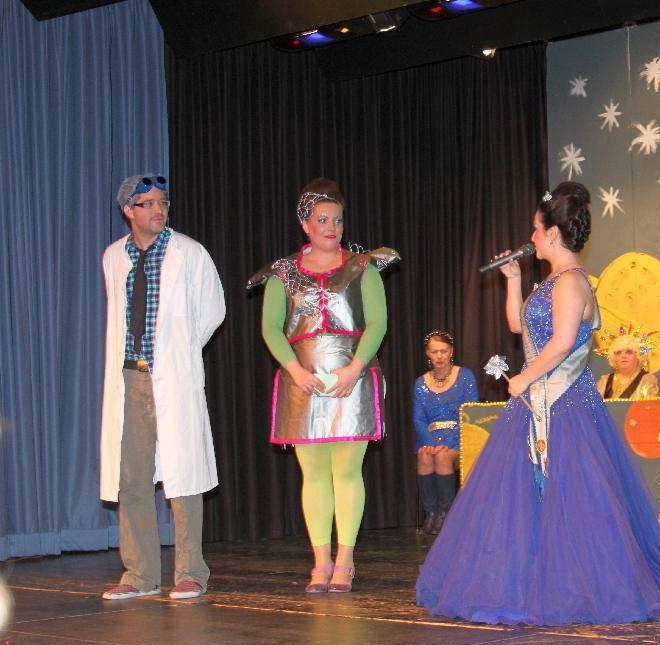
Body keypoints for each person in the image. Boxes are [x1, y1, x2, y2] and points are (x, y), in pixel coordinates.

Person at [416, 182, 660, 625]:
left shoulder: (571, 282)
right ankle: (536, 582)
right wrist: (513, 282)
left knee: (572, 496)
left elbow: (564, 342)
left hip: (564, 402)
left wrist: (524, 378)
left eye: (536, 229)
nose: (531, 236)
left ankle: (581, 586)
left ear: (553, 233)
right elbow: (520, 327)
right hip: (538, 401)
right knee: (532, 496)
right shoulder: (550, 280)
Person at [249, 178, 398, 594]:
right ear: (305, 224)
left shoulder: (363, 267)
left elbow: (378, 323)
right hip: (304, 380)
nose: (332, 227)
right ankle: (321, 561)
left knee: (347, 471)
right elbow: (271, 329)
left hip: (353, 377)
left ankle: (345, 560)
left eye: (338, 220)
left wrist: (355, 369)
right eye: (322, 219)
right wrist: (295, 371)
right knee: (313, 474)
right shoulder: (281, 273)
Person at [99, 174, 225, 600]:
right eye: (148, 203)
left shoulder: (189, 252)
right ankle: (140, 574)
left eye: (162, 202)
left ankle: (190, 571)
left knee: (183, 473)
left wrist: (179, 351)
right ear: (128, 211)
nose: (158, 210)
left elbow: (212, 310)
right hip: (129, 377)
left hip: (172, 375)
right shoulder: (113, 256)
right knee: (131, 476)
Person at [413, 330, 479, 534]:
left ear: (451, 351)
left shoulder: (465, 376)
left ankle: (446, 515)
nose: (440, 356)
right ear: (428, 354)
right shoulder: (420, 383)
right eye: (435, 352)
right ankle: (431, 514)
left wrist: (447, 442)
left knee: (442, 456)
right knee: (424, 456)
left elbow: (470, 412)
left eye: (444, 351)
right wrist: (431, 442)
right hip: (431, 438)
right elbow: (418, 419)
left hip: (460, 437)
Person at [595, 329, 660, 399]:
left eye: (629, 352)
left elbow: (653, 405)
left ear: (638, 356)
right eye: (618, 353)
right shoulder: (604, 382)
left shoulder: (648, 381)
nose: (623, 356)